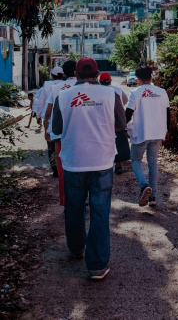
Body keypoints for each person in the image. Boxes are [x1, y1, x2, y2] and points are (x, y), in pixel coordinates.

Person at [52, 58, 126, 280]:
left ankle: (76, 248)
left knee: (74, 207)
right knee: (100, 212)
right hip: (102, 161)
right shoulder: (110, 94)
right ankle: (97, 266)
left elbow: (56, 129)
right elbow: (121, 125)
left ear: (76, 73)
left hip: (73, 162)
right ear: (97, 73)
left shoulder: (62, 96)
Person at [126, 66, 170, 207]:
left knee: (135, 159)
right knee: (153, 163)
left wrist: (124, 129)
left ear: (137, 79)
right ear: (151, 77)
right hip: (158, 132)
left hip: (141, 133)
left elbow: (127, 114)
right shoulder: (162, 92)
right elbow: (168, 112)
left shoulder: (135, 93)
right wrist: (167, 130)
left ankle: (144, 185)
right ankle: (153, 197)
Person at [43, 60, 77, 207]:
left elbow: (48, 113)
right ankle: (82, 198)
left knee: (62, 170)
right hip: (78, 135)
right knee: (80, 168)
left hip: (59, 136)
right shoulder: (83, 87)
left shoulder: (56, 88)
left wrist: (46, 130)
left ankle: (65, 201)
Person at [99, 72, 129, 175]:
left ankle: (104, 165)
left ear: (100, 81)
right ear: (110, 80)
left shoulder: (98, 91)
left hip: (103, 119)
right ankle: (118, 165)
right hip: (116, 119)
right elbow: (125, 100)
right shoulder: (118, 89)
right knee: (117, 142)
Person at [37, 66, 64, 178]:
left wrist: (38, 115)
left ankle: (55, 169)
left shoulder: (47, 86)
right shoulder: (67, 85)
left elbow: (40, 101)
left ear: (51, 76)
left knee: (51, 144)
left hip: (50, 119)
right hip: (64, 118)